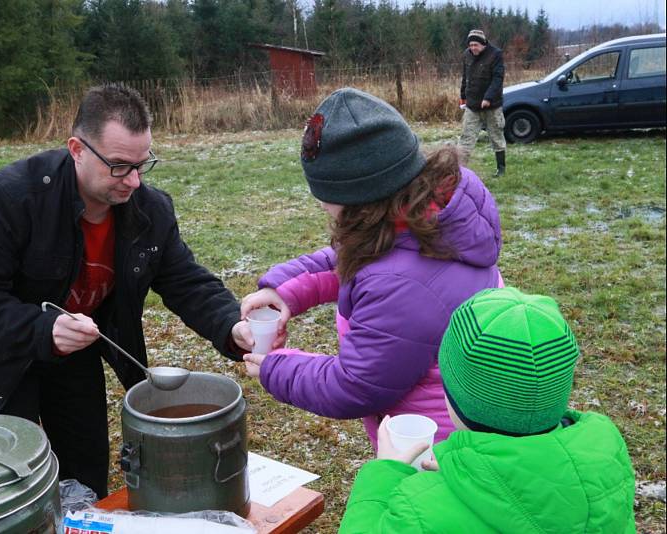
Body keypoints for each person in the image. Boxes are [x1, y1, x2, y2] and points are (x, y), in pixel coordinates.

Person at [0, 83, 253, 498]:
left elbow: (185, 279)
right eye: (120, 166)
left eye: (144, 164)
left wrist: (230, 325)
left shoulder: (148, 211)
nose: (135, 181)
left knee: (86, 474)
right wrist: (43, 328)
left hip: (74, 356)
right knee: (11, 484)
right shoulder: (9, 198)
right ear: (76, 149)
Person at [240, 87, 503, 450]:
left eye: (325, 195)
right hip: (448, 431)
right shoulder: (428, 219)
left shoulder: (401, 284)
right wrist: (284, 288)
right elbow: (359, 259)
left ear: (360, 198)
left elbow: (356, 385)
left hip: (433, 455)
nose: (320, 204)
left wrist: (275, 367)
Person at [338, 287, 636, 533]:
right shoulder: (607, 456)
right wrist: (479, 476)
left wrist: (384, 473)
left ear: (453, 392)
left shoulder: (419, 511)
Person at [458, 29, 507, 176]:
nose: (473, 48)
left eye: (476, 45)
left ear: (483, 44)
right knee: (466, 137)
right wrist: (462, 96)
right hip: (472, 105)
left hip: (492, 105)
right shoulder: (466, 55)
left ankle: (501, 169)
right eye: (471, 45)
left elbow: (498, 78)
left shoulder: (495, 55)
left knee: (496, 136)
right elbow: (465, 77)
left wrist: (488, 98)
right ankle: (460, 171)